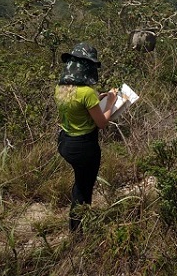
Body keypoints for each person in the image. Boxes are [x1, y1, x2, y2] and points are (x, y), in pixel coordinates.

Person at [55, 42, 118, 232]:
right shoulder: (87, 92)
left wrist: (96, 101)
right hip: (84, 147)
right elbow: (101, 123)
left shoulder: (60, 89)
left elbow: (78, 109)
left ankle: (78, 225)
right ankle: (78, 231)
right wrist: (110, 103)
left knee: (80, 182)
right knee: (84, 188)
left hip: (65, 142)